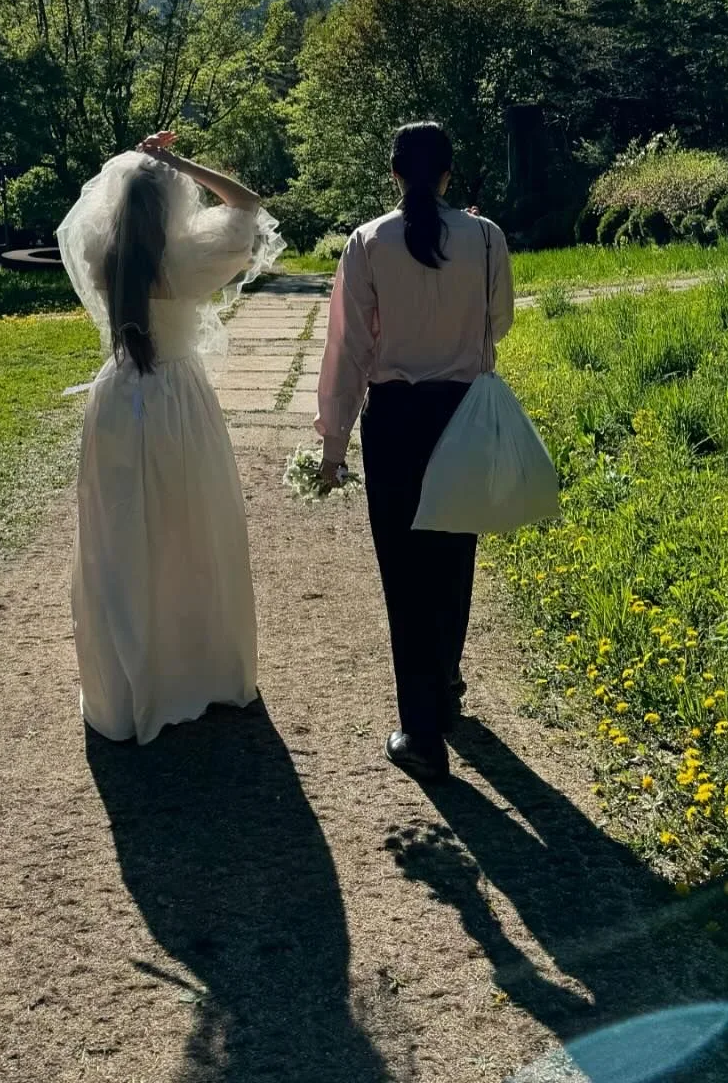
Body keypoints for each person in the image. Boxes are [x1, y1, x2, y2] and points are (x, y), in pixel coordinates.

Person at [56, 132, 282, 744]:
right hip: (177, 402)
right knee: (193, 532)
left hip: (117, 400)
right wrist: (178, 160)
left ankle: (129, 680)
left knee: (122, 539)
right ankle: (198, 667)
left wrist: (144, 166)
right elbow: (248, 205)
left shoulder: (102, 254)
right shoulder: (187, 259)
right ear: (173, 202)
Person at [315, 121, 514, 784]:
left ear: (392, 173)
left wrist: (333, 443)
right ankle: (447, 685)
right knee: (455, 555)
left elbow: (347, 350)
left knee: (404, 572)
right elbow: (501, 322)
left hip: (395, 418)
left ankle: (421, 731)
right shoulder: (486, 238)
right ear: (450, 174)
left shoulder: (367, 242)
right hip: (462, 412)